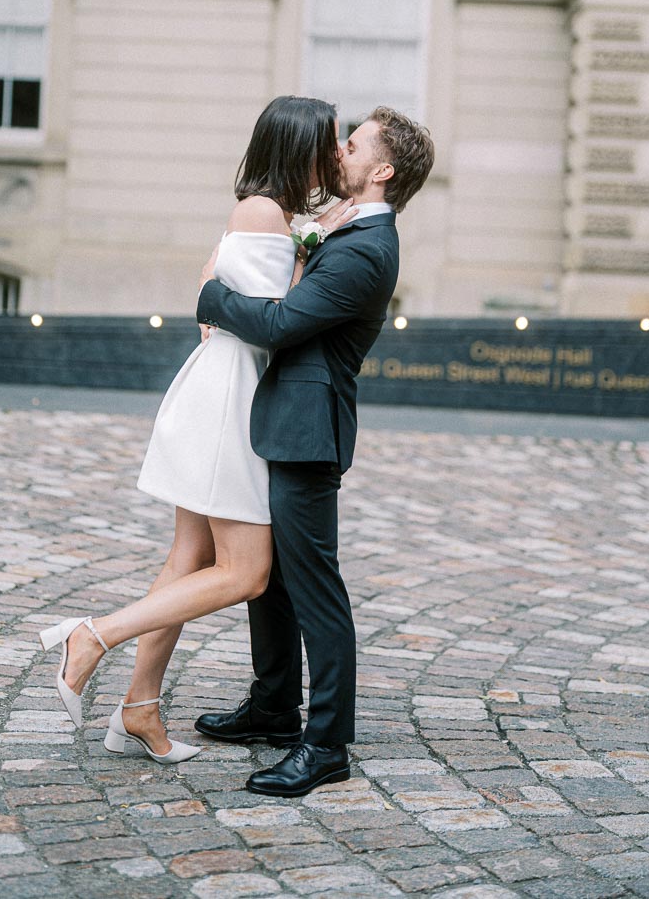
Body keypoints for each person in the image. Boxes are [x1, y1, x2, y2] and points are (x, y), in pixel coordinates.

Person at [39, 95, 357, 761]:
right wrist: (318, 241)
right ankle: (91, 636)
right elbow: (278, 319)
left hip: (227, 387)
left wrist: (306, 238)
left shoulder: (271, 213)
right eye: (331, 141)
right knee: (245, 573)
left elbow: (230, 291)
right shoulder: (267, 212)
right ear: (299, 145)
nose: (338, 153)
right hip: (231, 401)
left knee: (189, 557)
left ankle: (140, 709)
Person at [192, 107, 434, 797]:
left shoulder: (367, 249)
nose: (338, 153)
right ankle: (273, 707)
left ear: (382, 170)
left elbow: (281, 324)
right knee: (267, 575)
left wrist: (210, 293)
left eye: (352, 146)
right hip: (283, 419)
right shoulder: (342, 226)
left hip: (309, 429)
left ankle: (325, 744)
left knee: (314, 588)